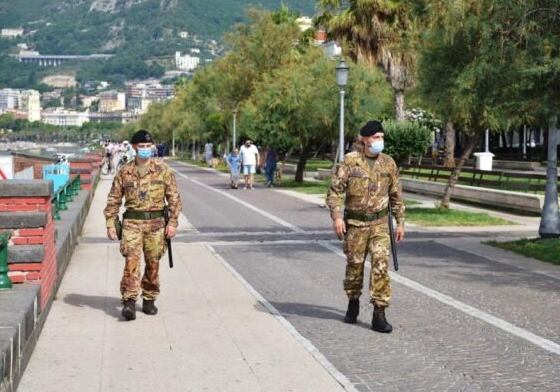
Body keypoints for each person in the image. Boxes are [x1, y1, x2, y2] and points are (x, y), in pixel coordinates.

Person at [326, 120, 405, 333]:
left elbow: (396, 195)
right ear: (364, 139)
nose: (379, 141)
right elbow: (335, 191)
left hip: (380, 224)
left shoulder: (388, 163)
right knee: (355, 267)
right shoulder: (350, 162)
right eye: (375, 137)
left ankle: (379, 313)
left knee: (381, 266)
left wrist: (400, 222)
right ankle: (353, 301)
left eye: (381, 137)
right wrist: (337, 217)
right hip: (355, 225)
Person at [103, 129, 182, 321]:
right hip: (132, 223)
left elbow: (174, 199)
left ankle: (149, 297)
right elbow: (113, 199)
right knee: (131, 261)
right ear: (134, 147)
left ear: (152, 147)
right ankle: (129, 300)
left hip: (156, 224)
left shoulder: (163, 171)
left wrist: (172, 223)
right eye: (141, 146)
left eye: (148, 146)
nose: (145, 149)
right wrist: (111, 223)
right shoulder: (125, 171)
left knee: (153, 262)